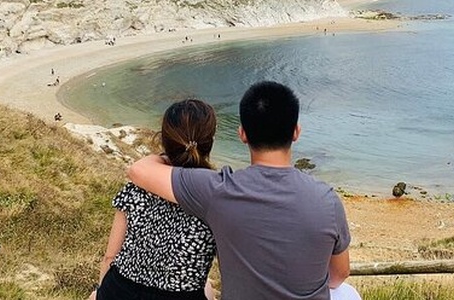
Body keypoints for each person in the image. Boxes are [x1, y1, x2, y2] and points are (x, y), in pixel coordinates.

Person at [128, 81, 357, 300]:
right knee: (347, 293)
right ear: (296, 132)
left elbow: (139, 170)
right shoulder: (327, 200)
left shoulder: (218, 190)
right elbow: (339, 274)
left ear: (242, 134)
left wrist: (180, 148)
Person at [92, 99, 218, 300]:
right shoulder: (216, 197)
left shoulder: (137, 187)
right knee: (208, 287)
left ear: (163, 139)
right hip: (182, 295)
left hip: (120, 288)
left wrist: (101, 292)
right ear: (210, 141)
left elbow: (110, 256)